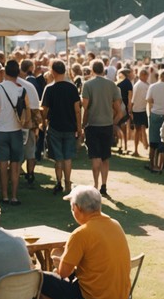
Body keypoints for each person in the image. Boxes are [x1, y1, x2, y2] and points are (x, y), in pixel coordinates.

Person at [34, 185, 131, 299]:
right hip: (121, 296)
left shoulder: (81, 233)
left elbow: (64, 273)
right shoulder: (115, 224)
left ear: (77, 209)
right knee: (49, 280)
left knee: (41, 279)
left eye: (71, 207)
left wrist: (59, 259)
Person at [41, 59, 82, 195]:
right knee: (68, 157)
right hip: (70, 126)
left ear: (52, 71)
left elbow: (44, 109)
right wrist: (79, 127)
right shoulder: (72, 88)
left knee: (58, 158)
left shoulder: (49, 88)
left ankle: (58, 182)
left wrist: (44, 122)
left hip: (54, 126)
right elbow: (77, 109)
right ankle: (67, 183)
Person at [81, 59, 122, 197]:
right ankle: (104, 185)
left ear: (92, 70)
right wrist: (113, 123)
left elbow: (85, 108)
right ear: (103, 70)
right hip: (107, 125)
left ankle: (96, 184)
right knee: (105, 157)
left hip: (92, 125)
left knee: (95, 157)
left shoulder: (87, 84)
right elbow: (119, 110)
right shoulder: (112, 85)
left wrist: (82, 125)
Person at [0, 58, 25, 205]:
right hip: (16, 129)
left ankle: (4, 195)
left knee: (3, 165)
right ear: (17, 73)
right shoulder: (21, 89)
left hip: (1, 129)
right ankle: (14, 195)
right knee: (16, 165)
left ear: (4, 72)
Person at [146, 69, 164, 172]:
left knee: (153, 142)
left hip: (155, 114)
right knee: (162, 142)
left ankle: (151, 164)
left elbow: (149, 100)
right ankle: (160, 166)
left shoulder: (153, 86)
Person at [19, 59, 42, 185]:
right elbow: (35, 108)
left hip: (12, 124)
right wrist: (37, 124)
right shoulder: (29, 85)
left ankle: (16, 171)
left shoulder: (5, 85)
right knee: (30, 151)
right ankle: (30, 173)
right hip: (29, 124)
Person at [130, 67, 150, 156]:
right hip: (140, 110)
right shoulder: (144, 86)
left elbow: (133, 100)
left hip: (138, 110)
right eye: (146, 76)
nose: (147, 78)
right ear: (142, 75)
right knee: (140, 130)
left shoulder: (137, 85)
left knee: (138, 130)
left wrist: (131, 110)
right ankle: (139, 148)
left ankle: (138, 149)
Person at [116, 68, 133, 154]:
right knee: (123, 127)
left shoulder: (118, 83)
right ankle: (125, 146)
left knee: (118, 125)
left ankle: (120, 145)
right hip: (125, 107)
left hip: (117, 106)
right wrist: (130, 109)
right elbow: (130, 98)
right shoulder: (128, 83)